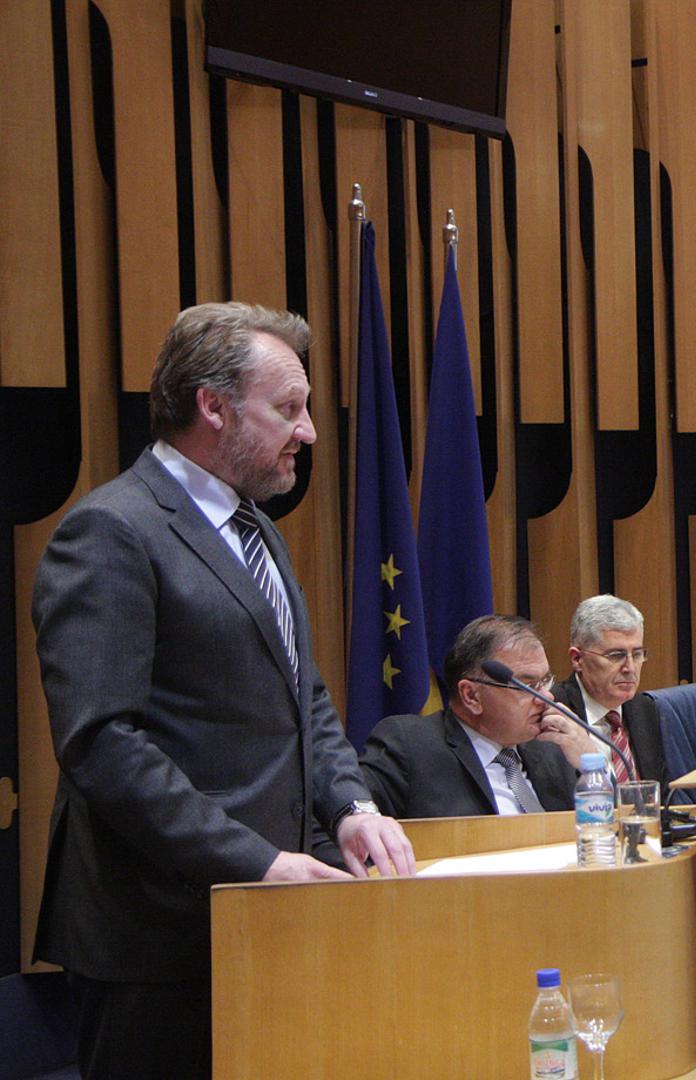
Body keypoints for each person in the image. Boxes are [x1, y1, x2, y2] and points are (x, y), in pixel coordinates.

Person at [31, 302, 415, 1080]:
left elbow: (304, 700)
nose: (308, 431)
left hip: (266, 919)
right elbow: (101, 745)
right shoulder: (111, 531)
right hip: (157, 939)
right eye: (288, 408)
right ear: (213, 406)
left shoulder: (256, 528)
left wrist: (352, 806)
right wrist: (256, 862)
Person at [360, 614, 584, 817]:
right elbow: (358, 824)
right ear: (471, 696)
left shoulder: (555, 748)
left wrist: (591, 765)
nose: (546, 697)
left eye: (545, 681)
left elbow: (599, 831)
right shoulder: (409, 746)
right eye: (528, 686)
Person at [550, 594, 669, 793]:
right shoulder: (556, 714)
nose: (630, 668)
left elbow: (662, 796)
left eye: (637, 654)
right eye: (616, 655)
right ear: (577, 659)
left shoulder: (644, 708)